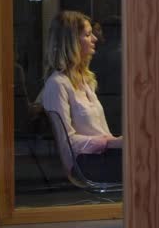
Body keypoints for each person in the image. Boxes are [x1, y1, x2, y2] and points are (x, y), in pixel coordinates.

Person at [42, 10, 122, 182]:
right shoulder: (57, 84)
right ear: (71, 42)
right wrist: (110, 142)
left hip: (104, 156)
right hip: (85, 163)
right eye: (87, 35)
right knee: (158, 160)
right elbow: (67, 142)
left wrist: (117, 143)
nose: (94, 39)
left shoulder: (86, 80)